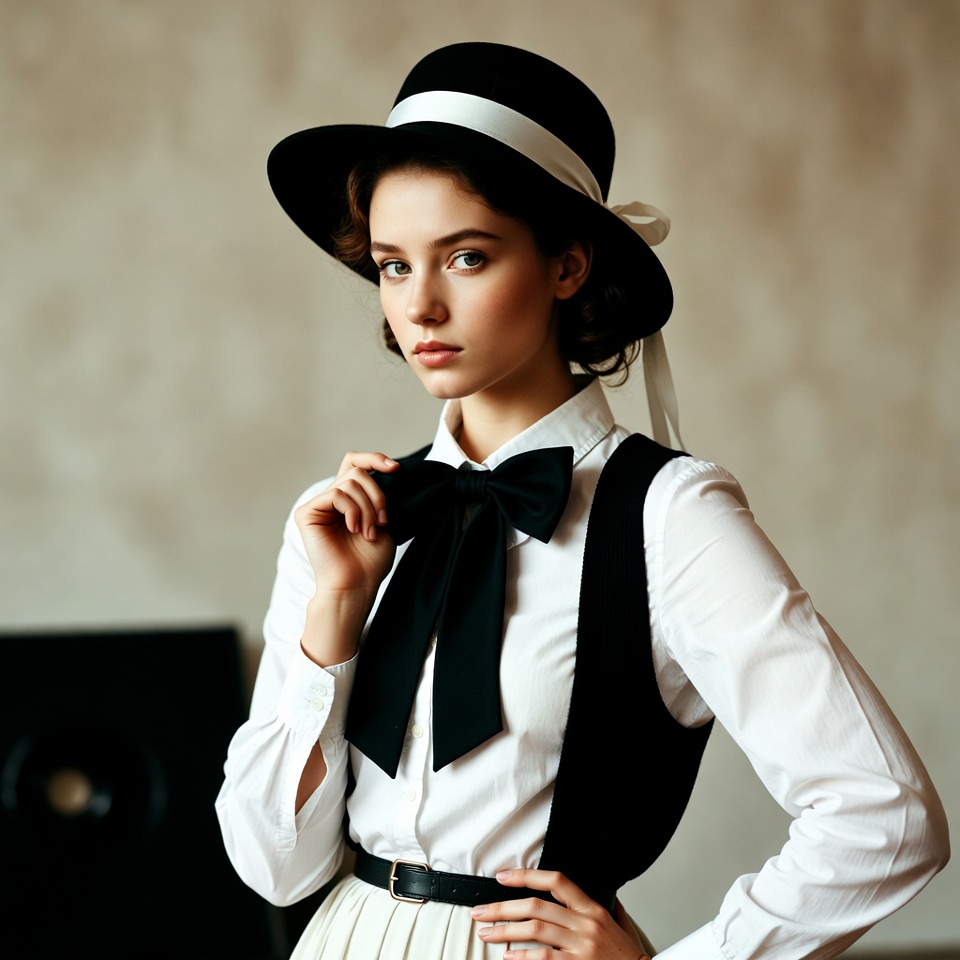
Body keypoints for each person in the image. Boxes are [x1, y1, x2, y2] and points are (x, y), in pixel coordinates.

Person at [216, 42, 948, 960]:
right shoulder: (348, 523)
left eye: (468, 257)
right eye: (395, 265)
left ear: (567, 266)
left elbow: (888, 817)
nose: (421, 308)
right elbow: (271, 868)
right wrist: (332, 616)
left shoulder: (669, 512)